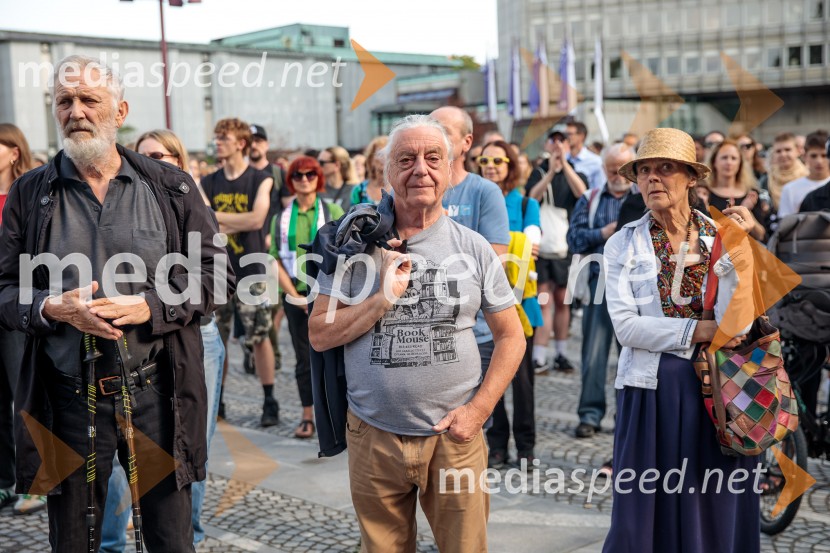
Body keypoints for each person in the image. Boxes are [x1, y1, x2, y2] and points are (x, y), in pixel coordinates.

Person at [0, 55, 233, 551]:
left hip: (156, 394)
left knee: (170, 539)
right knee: (74, 541)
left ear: (120, 111)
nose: (76, 111)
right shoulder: (29, 193)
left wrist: (152, 306)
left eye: (89, 99)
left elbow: (218, 275)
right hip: (66, 397)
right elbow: (4, 289)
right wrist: (50, 307)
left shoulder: (170, 187)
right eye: (65, 101)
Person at [308, 114, 525, 553]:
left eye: (432, 158)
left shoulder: (473, 247)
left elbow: (511, 336)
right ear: (386, 171)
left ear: (450, 168)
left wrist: (478, 411)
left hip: (455, 437)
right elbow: (319, 334)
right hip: (373, 434)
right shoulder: (353, 244)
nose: (420, 170)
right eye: (406, 159)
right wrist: (381, 298)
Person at [602, 127, 760, 553]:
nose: (653, 178)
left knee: (714, 505)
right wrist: (699, 330)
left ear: (691, 177)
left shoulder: (721, 235)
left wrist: (741, 251)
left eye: (666, 168)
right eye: (645, 170)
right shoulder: (623, 243)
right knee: (641, 513)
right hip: (651, 391)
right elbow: (626, 328)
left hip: (720, 390)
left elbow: (739, 323)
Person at [201, 118, 279, 427]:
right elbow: (204, 221)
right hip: (216, 272)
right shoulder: (208, 181)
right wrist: (234, 220)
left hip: (252, 269)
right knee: (216, 338)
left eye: (224, 138)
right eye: (217, 137)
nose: (217, 143)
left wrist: (217, 219)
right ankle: (218, 401)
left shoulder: (261, 179)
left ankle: (269, 400)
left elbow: (257, 220)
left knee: (259, 336)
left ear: (241, 143)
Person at [430, 106, 511, 395]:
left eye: (444, 131)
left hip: (473, 332)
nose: (436, 138)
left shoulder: (484, 192)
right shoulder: (412, 191)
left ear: (467, 143)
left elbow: (495, 264)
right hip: (424, 332)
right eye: (431, 129)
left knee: (471, 417)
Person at [477, 139, 542, 468]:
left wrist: (520, 244)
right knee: (491, 377)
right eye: (484, 160)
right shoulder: (476, 200)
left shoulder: (526, 202)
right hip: (484, 302)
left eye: (498, 161)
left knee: (523, 381)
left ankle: (526, 447)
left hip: (520, 302)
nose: (490, 166)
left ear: (510, 166)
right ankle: (497, 444)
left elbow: (534, 243)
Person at [270, 156, 343, 439]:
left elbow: (345, 253)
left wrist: (321, 296)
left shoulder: (332, 210)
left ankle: (338, 413)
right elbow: (274, 259)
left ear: (318, 177)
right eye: (297, 175)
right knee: (303, 359)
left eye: (310, 174)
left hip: (327, 294)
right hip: (295, 295)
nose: (304, 180)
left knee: (334, 354)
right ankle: (307, 415)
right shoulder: (280, 218)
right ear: (290, 180)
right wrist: (295, 296)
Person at [566, 143, 636, 439]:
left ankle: (628, 416)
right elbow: (573, 239)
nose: (617, 176)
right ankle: (590, 415)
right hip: (600, 281)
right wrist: (602, 233)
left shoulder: (642, 197)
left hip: (637, 285)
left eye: (623, 170)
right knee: (594, 353)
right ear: (603, 169)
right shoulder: (590, 198)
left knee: (632, 354)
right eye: (611, 170)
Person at [0, 123, 40, 515]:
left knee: (23, 393)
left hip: (16, 306)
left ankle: (39, 482)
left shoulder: (26, 192)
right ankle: (4, 481)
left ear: (14, 152)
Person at [526, 125, 588, 373]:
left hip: (566, 246)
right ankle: (540, 355)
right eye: (553, 140)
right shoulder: (539, 172)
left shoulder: (576, 172)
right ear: (546, 144)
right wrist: (551, 171)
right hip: (542, 246)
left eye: (562, 141)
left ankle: (561, 354)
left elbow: (583, 194)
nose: (557, 145)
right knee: (544, 299)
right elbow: (532, 197)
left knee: (563, 300)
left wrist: (565, 166)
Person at [249, 123, 287, 378]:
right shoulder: (240, 174)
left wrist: (275, 235)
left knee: (272, 305)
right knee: (254, 307)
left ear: (266, 144)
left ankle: (269, 352)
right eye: (250, 140)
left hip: (271, 252)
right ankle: (258, 350)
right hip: (245, 253)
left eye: (259, 140)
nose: (254, 145)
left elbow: (287, 209)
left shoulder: (277, 173)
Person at [706, 139, 768, 241]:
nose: (729, 162)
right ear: (714, 162)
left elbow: (761, 236)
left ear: (740, 163)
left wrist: (746, 211)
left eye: (734, 158)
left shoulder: (751, 194)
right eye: (724, 157)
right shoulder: (704, 193)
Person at [777, 130, 830, 218]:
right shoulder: (790, 189)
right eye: (813, 156)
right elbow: (785, 223)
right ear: (805, 156)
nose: (819, 161)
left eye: (824, 155)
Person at [759, 132, 809, 210]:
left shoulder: (808, 176)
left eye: (787, 150)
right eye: (778, 151)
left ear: (797, 151)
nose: (783, 154)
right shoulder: (766, 180)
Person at [565, 120, 604, 190]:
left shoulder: (596, 161)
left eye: (569, 134)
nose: (566, 137)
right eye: (565, 134)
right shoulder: (563, 159)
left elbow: (600, 189)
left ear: (581, 136)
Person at [350, 136, 389, 206]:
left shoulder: (399, 188)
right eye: (380, 154)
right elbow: (354, 212)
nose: (384, 157)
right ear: (371, 160)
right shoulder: (359, 190)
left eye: (388, 153)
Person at [318, 145, 358, 211]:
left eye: (322, 163)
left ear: (337, 165)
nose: (318, 166)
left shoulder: (355, 190)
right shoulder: (318, 189)